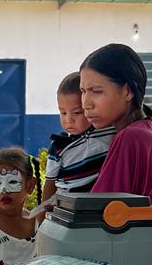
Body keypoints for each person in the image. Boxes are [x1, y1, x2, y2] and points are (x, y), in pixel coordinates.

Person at [81, 43, 152, 221]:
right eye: (83, 91)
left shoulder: (131, 137)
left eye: (96, 91)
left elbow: (101, 216)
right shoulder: (150, 130)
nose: (86, 103)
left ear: (127, 91)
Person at [42, 72, 115, 208]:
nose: (68, 120)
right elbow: (50, 183)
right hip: (65, 206)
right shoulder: (58, 146)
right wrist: (43, 214)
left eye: (77, 112)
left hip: (99, 207)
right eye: (63, 113)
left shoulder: (106, 132)